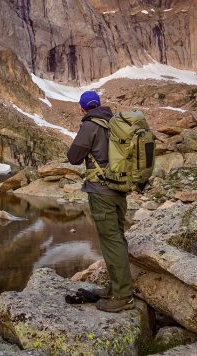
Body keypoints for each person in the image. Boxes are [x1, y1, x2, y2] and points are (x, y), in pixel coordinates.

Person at [67, 90, 134, 313]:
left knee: (111, 240)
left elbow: (73, 157)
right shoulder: (115, 123)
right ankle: (118, 287)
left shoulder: (90, 125)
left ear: (82, 108)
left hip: (101, 191)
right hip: (119, 190)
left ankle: (123, 295)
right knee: (118, 238)